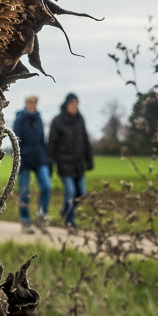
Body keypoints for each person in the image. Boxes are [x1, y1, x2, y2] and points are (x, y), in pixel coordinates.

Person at [46, 92, 93, 228]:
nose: (75, 107)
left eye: (77, 104)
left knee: (81, 193)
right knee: (70, 192)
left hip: (78, 163)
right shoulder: (58, 121)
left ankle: (64, 210)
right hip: (64, 162)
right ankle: (69, 220)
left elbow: (85, 140)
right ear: (66, 105)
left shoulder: (80, 119)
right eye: (73, 104)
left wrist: (89, 160)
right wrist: (51, 162)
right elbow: (52, 143)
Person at [10, 95, 50, 232]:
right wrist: (19, 159)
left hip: (39, 159)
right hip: (24, 160)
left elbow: (42, 140)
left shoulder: (39, 118)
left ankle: (41, 217)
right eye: (30, 103)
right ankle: (25, 221)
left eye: (35, 103)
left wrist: (46, 157)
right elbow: (16, 140)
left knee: (46, 187)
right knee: (24, 192)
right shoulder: (20, 119)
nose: (33, 105)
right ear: (26, 103)